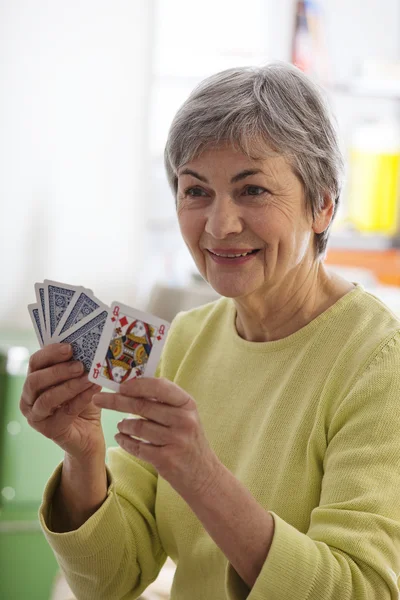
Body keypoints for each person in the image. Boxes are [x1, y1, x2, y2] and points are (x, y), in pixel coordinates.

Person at [20, 63, 400, 600]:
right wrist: (84, 456)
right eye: (196, 191)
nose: (220, 225)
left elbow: (365, 591)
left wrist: (202, 477)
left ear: (323, 205)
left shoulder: (379, 361)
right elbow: (111, 580)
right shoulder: (184, 340)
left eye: (253, 191)